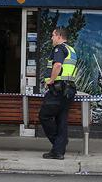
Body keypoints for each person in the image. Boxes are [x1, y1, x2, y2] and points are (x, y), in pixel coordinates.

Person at [39, 27, 78, 160]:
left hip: (58, 88)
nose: (51, 38)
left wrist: (50, 80)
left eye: (53, 35)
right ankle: (58, 151)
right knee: (61, 119)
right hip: (68, 89)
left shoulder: (59, 48)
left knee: (44, 115)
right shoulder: (71, 50)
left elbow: (57, 66)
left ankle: (58, 145)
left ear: (59, 36)